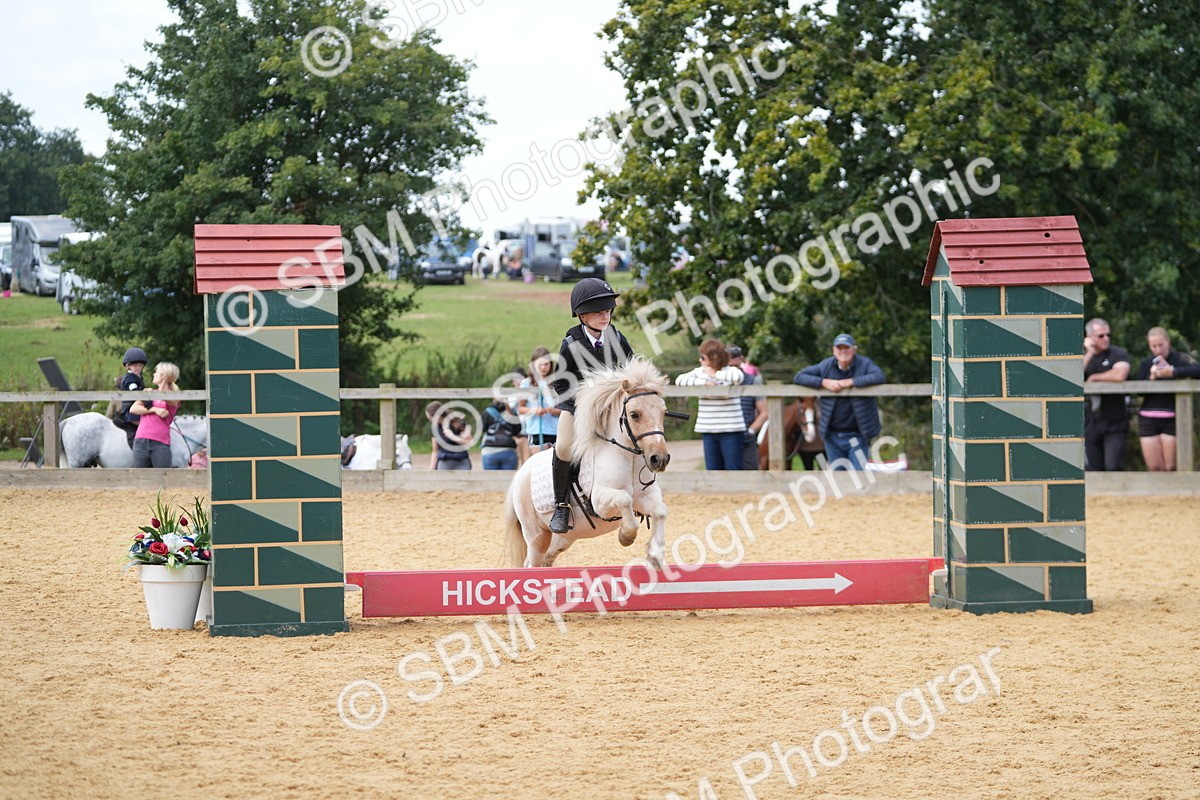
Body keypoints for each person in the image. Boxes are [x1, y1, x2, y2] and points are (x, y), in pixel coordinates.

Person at [549, 278, 635, 533]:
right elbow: (561, 384)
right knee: (564, 446)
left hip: (614, 410)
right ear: (582, 315)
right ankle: (561, 506)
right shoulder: (572, 344)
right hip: (579, 410)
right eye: (599, 312)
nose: (605, 316)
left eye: (607, 311)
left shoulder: (617, 338)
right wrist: (587, 402)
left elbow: (630, 371)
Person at [793, 333, 885, 470]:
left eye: (846, 348)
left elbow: (879, 376)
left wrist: (851, 382)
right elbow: (799, 376)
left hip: (858, 435)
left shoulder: (864, 364)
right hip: (832, 436)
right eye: (839, 348)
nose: (843, 351)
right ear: (833, 351)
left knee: (858, 477)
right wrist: (824, 382)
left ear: (854, 349)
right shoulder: (826, 366)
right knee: (837, 478)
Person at [1132, 327, 1200, 471]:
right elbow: (1138, 391)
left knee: (1171, 467)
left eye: (1161, 345)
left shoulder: (1181, 359)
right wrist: (1152, 378)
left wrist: (1173, 372)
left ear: (1168, 342)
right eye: (1153, 346)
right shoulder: (1146, 363)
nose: (1158, 349)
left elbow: (1197, 370)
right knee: (1155, 467)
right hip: (1148, 417)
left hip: (1173, 416)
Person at [676, 339, 747, 470]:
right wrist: (704, 382)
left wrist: (716, 374)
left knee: (733, 470)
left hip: (731, 429)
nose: (700, 360)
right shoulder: (699, 373)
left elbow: (738, 378)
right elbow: (680, 380)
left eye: (703, 357)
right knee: (712, 471)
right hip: (708, 429)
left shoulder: (730, 370)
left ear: (713, 357)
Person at [1083, 318, 1131, 471]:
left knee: (1113, 467)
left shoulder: (1117, 352)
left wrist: (1094, 378)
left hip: (1115, 421)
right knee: (1094, 469)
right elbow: (1072, 377)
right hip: (1090, 422)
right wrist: (1089, 352)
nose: (1106, 338)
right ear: (1089, 337)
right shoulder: (1084, 357)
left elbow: (1120, 374)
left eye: (1107, 335)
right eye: (1100, 336)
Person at [129, 362, 180, 468]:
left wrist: (153, 394)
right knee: (141, 479)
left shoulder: (174, 394)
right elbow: (133, 409)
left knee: (162, 479)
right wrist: (154, 409)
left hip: (160, 443)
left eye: (156, 372)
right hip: (140, 440)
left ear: (163, 376)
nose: (153, 374)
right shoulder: (150, 393)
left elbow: (174, 402)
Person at [726, 345, 767, 470]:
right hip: (725, 435)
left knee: (750, 476)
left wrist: (750, 431)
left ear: (741, 359)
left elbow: (765, 412)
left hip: (746, 437)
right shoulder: (716, 381)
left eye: (734, 358)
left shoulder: (753, 381)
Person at [517, 346, 560, 458]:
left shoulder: (557, 383)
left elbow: (565, 409)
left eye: (546, 364)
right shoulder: (527, 384)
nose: (543, 367)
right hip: (537, 430)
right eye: (539, 364)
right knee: (540, 465)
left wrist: (554, 411)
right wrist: (534, 410)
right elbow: (520, 408)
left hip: (556, 431)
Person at [112, 346, 148, 448]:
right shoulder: (130, 379)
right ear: (128, 366)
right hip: (130, 412)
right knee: (148, 423)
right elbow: (135, 392)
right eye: (135, 365)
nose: (138, 368)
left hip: (137, 408)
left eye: (140, 365)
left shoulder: (138, 377)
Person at [425, 400, 472, 471]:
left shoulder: (457, 422)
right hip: (444, 463)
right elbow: (435, 451)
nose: (429, 420)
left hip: (461, 462)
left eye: (429, 418)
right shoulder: (435, 428)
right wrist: (431, 469)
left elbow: (469, 442)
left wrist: (453, 437)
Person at [480, 400, 521, 470]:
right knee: (508, 479)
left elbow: (482, 429)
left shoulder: (487, 412)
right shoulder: (511, 413)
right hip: (508, 450)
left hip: (489, 450)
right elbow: (517, 430)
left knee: (491, 480)